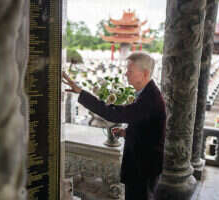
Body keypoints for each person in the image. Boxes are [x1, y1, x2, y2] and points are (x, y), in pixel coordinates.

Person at [62, 51, 166, 200]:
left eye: (130, 71)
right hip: (141, 161)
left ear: (144, 74)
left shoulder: (149, 99)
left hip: (143, 166)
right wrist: (126, 133)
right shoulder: (146, 93)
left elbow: (113, 114)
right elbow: (147, 129)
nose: (125, 74)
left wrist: (81, 92)